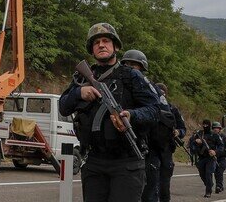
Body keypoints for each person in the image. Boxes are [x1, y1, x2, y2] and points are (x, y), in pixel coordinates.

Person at [58, 23, 160, 202]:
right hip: (94, 161)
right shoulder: (83, 77)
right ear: (92, 49)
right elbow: (63, 107)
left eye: (106, 41)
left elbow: (154, 110)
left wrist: (131, 115)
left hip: (127, 162)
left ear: (116, 46)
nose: (101, 45)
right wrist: (78, 93)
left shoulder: (131, 76)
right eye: (96, 42)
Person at [121, 49, 168, 202]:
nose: (130, 68)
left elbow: (163, 115)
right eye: (127, 64)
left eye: (134, 65)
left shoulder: (150, 88)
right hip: (121, 149)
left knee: (147, 192)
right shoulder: (118, 85)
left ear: (141, 68)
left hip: (146, 146)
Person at [154, 83, 186, 202]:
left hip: (166, 149)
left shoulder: (172, 109)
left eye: (163, 94)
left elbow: (183, 128)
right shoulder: (147, 108)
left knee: (164, 184)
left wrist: (178, 132)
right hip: (150, 148)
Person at [189, 119, 224, 198]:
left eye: (207, 125)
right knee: (202, 174)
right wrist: (196, 142)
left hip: (210, 158)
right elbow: (191, 144)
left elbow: (221, 146)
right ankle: (209, 184)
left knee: (208, 173)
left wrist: (215, 152)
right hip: (201, 157)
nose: (205, 126)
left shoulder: (214, 135)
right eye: (204, 125)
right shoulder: (199, 134)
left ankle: (208, 191)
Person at [211, 122, 226, 193]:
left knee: (220, 172)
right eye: (214, 128)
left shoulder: (225, 137)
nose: (215, 129)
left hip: (223, 158)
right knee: (216, 172)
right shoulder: (211, 137)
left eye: (217, 128)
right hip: (214, 158)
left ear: (220, 129)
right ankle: (220, 185)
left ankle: (218, 186)